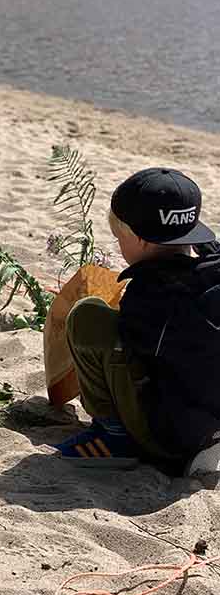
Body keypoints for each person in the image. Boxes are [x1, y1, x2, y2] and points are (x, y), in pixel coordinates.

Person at [54, 167, 220, 473]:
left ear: (140, 240)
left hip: (171, 436)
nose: (120, 247)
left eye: (120, 238)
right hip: (211, 416)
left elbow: (133, 354)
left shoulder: (152, 294)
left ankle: (114, 437)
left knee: (88, 317)